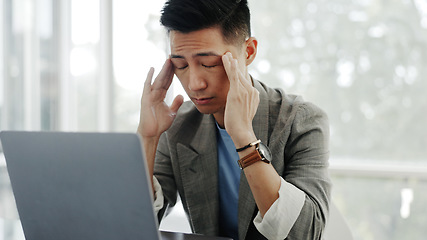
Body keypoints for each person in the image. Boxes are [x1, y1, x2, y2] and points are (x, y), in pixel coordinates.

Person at [137, 0, 331, 239]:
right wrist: (147, 138)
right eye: (181, 65)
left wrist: (244, 138)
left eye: (208, 63)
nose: (195, 83)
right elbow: (137, 221)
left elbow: (305, 232)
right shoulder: (178, 126)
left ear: (248, 51)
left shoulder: (300, 120)